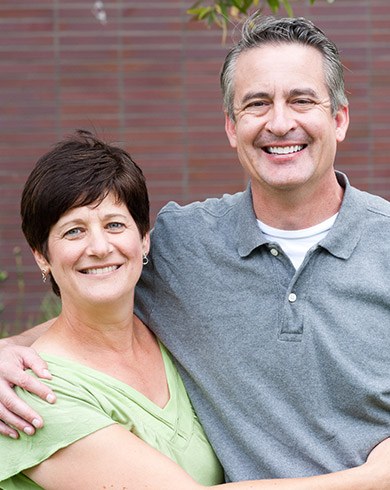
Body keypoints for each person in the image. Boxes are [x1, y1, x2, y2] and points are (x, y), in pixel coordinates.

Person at [0, 12, 390, 487]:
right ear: (231, 126)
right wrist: (6, 351)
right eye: (257, 104)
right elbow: (96, 295)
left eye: (302, 100)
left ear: (339, 118)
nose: (280, 122)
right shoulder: (183, 243)